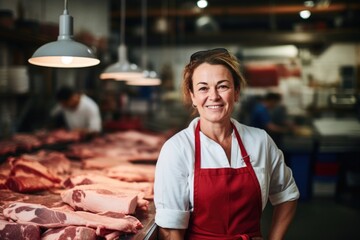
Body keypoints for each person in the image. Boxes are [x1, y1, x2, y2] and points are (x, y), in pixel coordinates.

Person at [154, 48, 299, 240]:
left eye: (222, 86)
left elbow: (287, 194)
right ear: (193, 96)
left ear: (236, 92)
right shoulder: (177, 149)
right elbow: (170, 231)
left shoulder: (260, 141)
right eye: (203, 88)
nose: (213, 96)